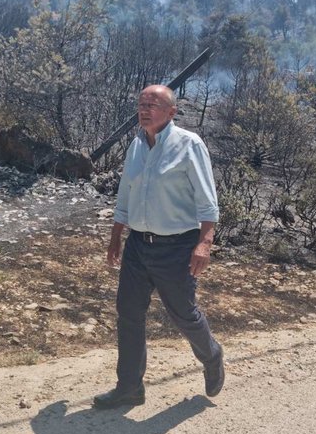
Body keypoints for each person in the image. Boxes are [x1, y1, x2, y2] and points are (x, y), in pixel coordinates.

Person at [93, 84, 224, 409]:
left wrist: (204, 242)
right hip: (138, 245)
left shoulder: (189, 145)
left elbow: (207, 201)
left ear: (171, 112)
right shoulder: (136, 146)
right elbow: (126, 193)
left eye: (153, 104)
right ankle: (129, 387)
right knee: (128, 313)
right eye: (141, 104)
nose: (145, 109)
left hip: (176, 248)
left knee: (183, 313)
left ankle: (211, 355)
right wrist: (116, 234)